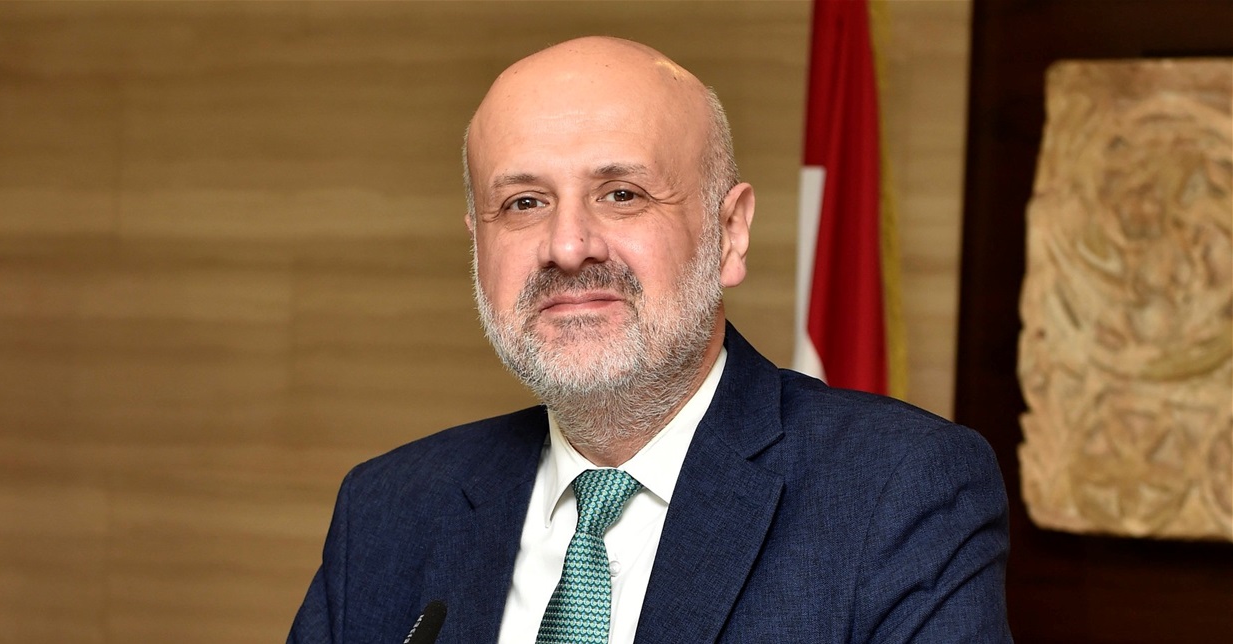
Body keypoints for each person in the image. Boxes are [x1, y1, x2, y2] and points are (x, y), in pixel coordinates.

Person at [289, 36, 1011, 643]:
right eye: (524, 203)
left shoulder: (897, 490)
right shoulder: (388, 509)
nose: (568, 246)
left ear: (730, 233)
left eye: (621, 194)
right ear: (477, 244)